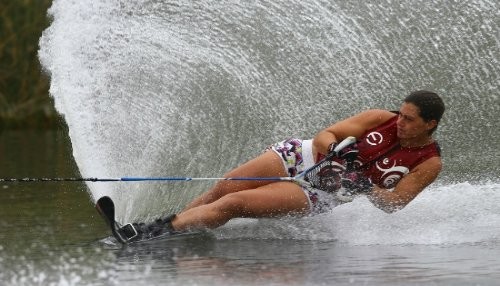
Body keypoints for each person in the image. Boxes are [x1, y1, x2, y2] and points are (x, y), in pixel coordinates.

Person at [118, 90, 445, 242]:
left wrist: (366, 187)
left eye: (409, 119)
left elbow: (394, 203)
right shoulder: (380, 118)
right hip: (299, 156)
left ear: (429, 124)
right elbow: (324, 135)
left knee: (233, 204)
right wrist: (333, 150)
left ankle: (152, 233)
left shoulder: (428, 163)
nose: (399, 121)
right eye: (401, 114)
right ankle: (173, 230)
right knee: (226, 186)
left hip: (321, 192)